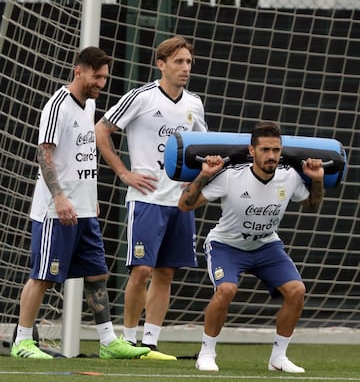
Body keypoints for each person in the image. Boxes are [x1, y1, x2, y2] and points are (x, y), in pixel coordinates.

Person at [11, 46, 150, 360]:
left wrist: (91, 198)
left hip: (85, 210)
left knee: (97, 274)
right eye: (96, 77)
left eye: (104, 78)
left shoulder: (89, 106)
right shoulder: (58, 106)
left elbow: (82, 156)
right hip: (56, 212)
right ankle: (21, 341)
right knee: (44, 276)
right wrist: (59, 197)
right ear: (79, 71)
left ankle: (107, 341)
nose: (101, 84)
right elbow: (44, 154)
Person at [178, 121, 325, 373]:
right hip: (226, 245)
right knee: (226, 289)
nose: (271, 156)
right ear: (252, 150)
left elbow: (312, 205)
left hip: (266, 246)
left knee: (297, 290)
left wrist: (317, 180)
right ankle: (206, 353)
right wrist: (204, 174)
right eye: (265, 150)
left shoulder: (289, 177)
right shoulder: (231, 176)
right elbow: (185, 205)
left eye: (276, 150)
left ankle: (278, 358)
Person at [95, 36, 207, 360]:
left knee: (166, 272)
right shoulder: (140, 98)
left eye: (188, 62)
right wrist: (123, 173)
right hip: (146, 199)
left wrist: (196, 187)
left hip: (179, 200)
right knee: (141, 270)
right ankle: (126, 342)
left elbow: (200, 150)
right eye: (178, 62)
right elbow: (102, 130)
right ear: (161, 64)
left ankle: (150, 343)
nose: (185, 68)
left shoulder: (194, 104)